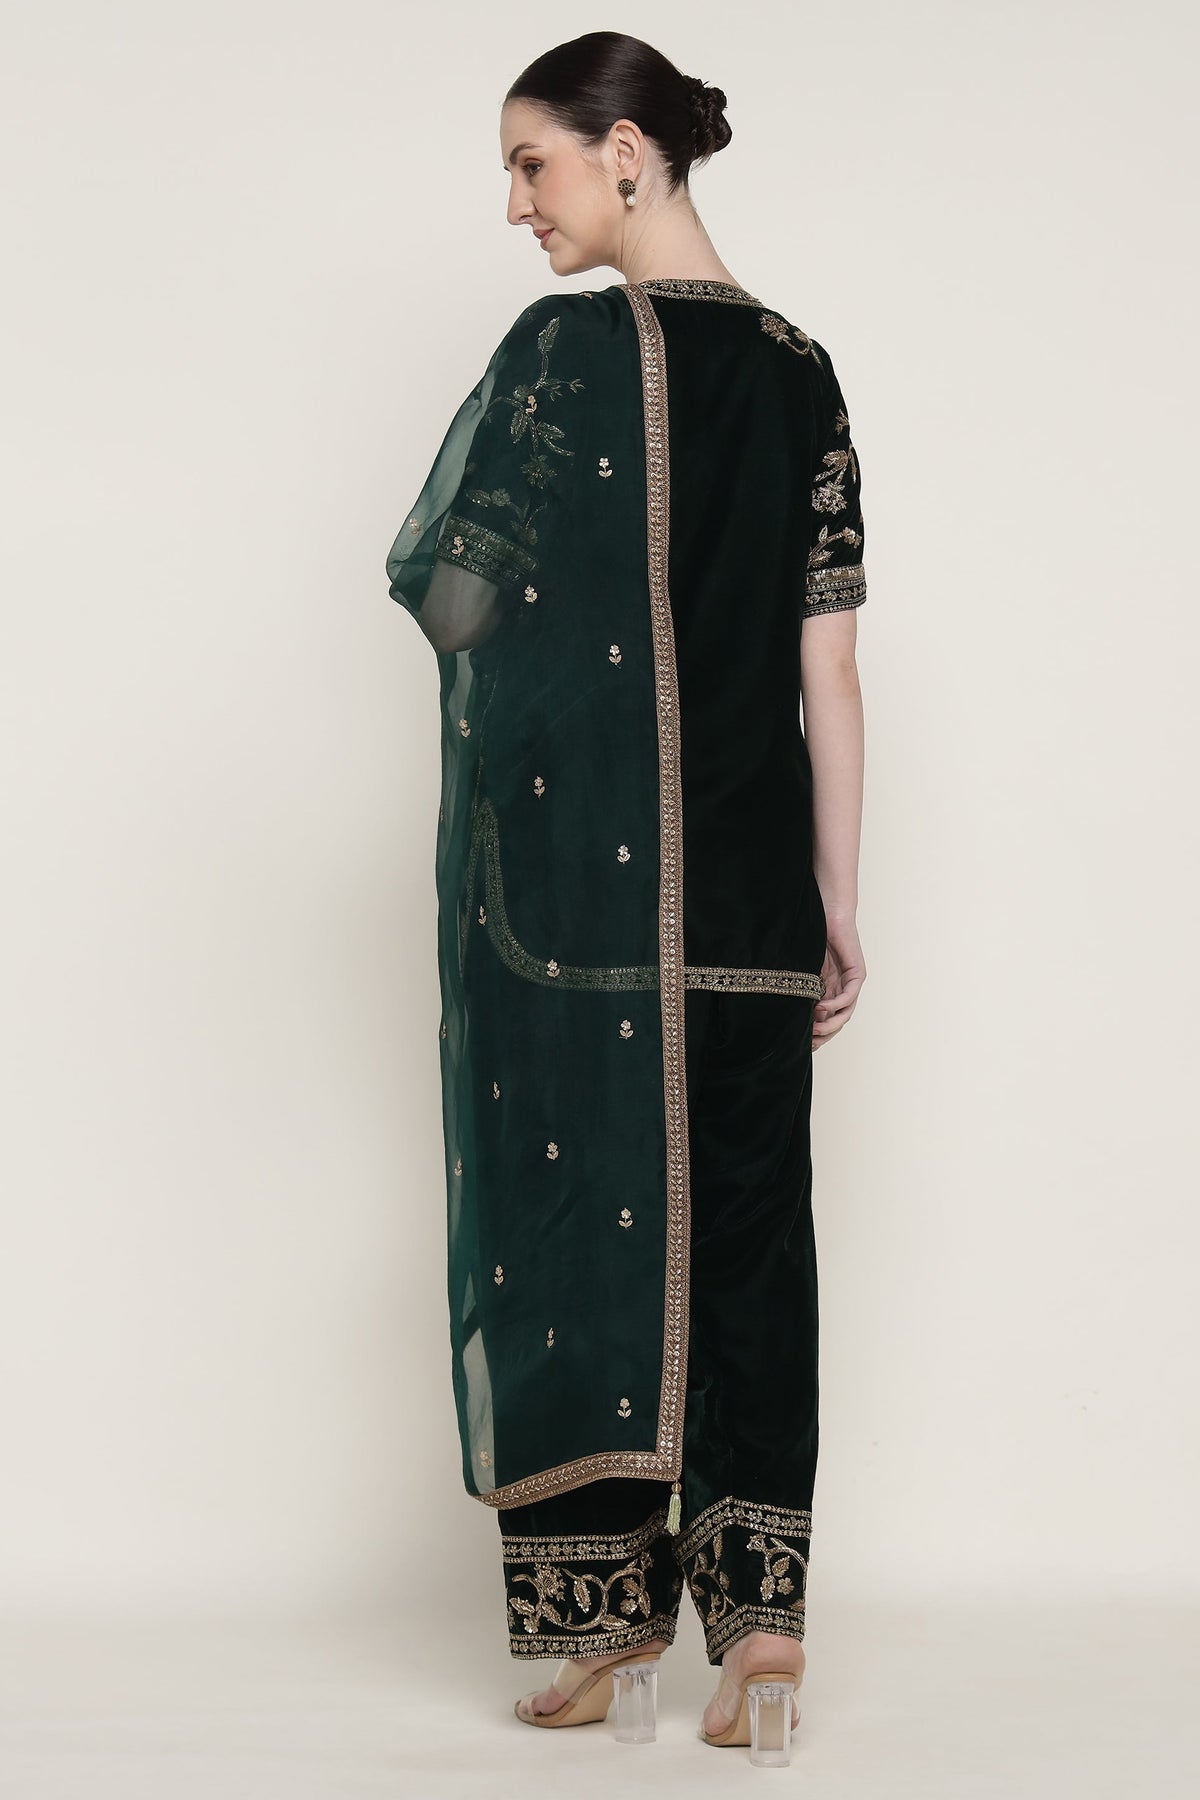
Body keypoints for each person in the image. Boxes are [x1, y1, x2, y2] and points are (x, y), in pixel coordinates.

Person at [385, 30, 868, 1758]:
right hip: (750, 901)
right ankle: (763, 1642)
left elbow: (454, 598)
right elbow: (829, 672)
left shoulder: (561, 356)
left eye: (534, 163)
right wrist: (838, 900)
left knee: (577, 1248)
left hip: (575, 920)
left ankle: (606, 1634)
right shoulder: (803, 375)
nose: (516, 203)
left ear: (629, 153)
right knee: (747, 1246)